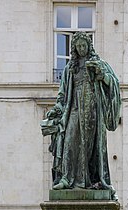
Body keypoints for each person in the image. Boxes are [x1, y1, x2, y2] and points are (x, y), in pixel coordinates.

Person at [40, 32, 121, 200]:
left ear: (89, 46)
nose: (82, 49)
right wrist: (57, 108)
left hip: (92, 111)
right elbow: (62, 94)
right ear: (75, 48)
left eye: (84, 45)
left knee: (88, 147)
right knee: (69, 141)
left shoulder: (99, 64)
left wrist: (102, 76)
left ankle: (89, 180)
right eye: (79, 46)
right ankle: (66, 178)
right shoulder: (70, 68)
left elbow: (114, 84)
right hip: (74, 109)